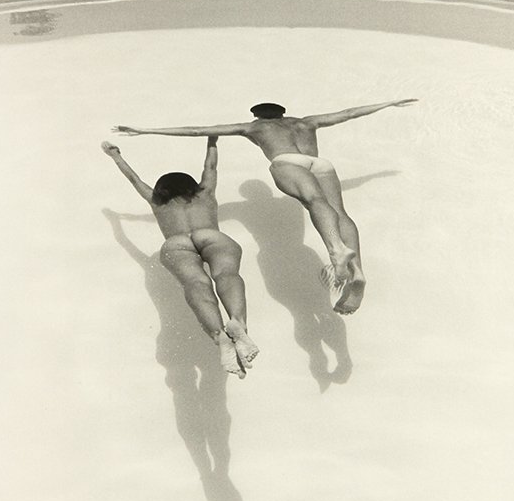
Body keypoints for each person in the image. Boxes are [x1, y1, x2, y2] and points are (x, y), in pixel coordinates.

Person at [112, 98, 417, 315]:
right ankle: (357, 270)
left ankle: (336, 249)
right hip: (320, 163)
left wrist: (144, 131)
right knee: (339, 212)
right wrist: (389, 103)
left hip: (288, 162)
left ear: (257, 116)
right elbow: (349, 113)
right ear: (283, 113)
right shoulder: (306, 122)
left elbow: (197, 130)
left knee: (315, 201)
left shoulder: (254, 128)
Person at [101, 137, 258, 379]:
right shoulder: (205, 194)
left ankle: (219, 337)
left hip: (176, 244)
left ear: (161, 189)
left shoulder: (157, 201)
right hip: (211, 235)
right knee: (226, 274)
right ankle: (238, 322)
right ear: (191, 185)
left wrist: (115, 156)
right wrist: (212, 139)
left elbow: (134, 179)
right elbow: (210, 166)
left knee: (196, 284)